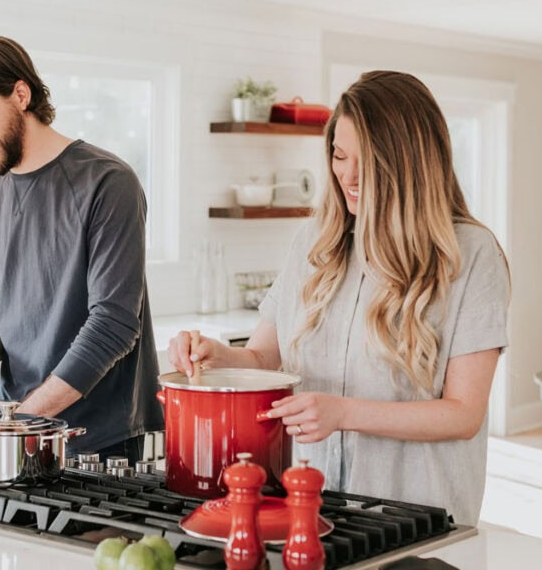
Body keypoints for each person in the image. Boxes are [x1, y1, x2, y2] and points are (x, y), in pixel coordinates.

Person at [168, 71, 510, 526]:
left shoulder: (470, 254)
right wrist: (219, 357)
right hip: (310, 506)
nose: (347, 175)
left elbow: (463, 413)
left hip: (414, 515)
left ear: (410, 162)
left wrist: (345, 413)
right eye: (339, 155)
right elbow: (266, 357)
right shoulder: (314, 242)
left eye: (366, 161)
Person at [0, 35, 163, 465]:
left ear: (21, 94)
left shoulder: (108, 182)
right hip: (14, 427)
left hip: (97, 439)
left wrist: (20, 423)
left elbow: (114, 324)